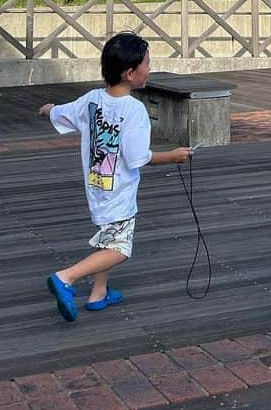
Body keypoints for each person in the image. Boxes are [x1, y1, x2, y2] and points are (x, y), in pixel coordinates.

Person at [37, 32, 192, 322]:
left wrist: (48, 110)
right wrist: (174, 156)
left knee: (108, 238)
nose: (150, 67)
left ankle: (99, 292)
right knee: (119, 249)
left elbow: (63, 113)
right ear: (130, 73)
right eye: (147, 63)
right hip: (119, 192)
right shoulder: (134, 111)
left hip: (97, 186)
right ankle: (65, 277)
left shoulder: (93, 100)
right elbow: (139, 159)